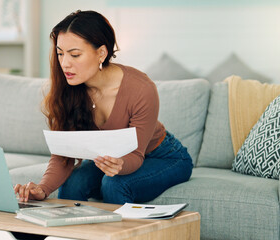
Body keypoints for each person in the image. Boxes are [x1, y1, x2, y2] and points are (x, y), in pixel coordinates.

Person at [14, 10, 193, 204]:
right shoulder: (68, 89)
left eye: (75, 54)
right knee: (73, 183)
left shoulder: (141, 89)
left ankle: (116, 235)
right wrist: (42, 189)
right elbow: (62, 157)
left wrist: (119, 165)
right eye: (60, 53)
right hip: (109, 160)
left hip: (163, 157)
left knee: (114, 183)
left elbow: (135, 155)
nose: (65, 64)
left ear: (101, 53)